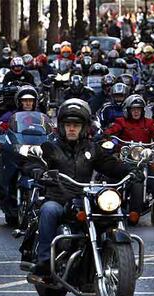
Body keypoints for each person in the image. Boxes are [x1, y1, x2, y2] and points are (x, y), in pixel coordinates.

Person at [31, 98, 136, 276]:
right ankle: (44, 261)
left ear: (84, 128)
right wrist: (38, 171)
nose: (72, 128)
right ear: (62, 127)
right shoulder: (51, 147)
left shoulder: (92, 149)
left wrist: (132, 170)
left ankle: (114, 256)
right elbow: (36, 162)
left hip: (83, 198)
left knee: (113, 212)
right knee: (48, 210)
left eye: (76, 125)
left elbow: (110, 164)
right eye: (68, 124)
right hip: (58, 197)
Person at [104, 94, 154, 223]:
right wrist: (110, 138)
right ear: (128, 110)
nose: (136, 112)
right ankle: (109, 201)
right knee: (110, 175)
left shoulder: (148, 123)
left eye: (138, 109)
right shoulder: (121, 122)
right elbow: (111, 132)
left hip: (144, 158)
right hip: (126, 158)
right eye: (133, 109)